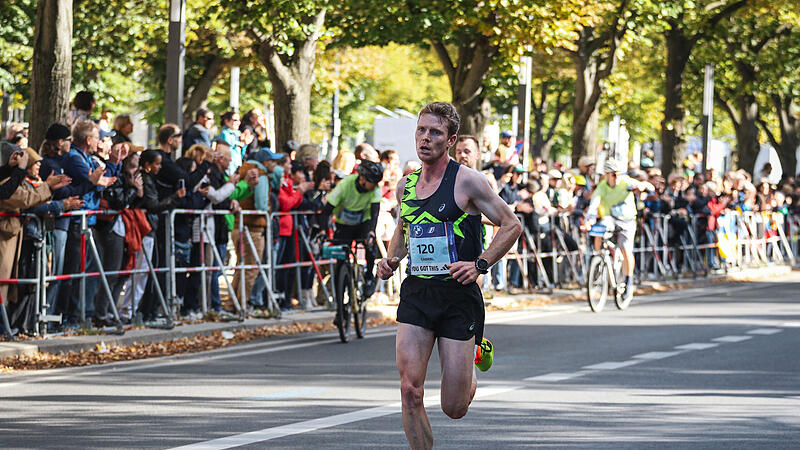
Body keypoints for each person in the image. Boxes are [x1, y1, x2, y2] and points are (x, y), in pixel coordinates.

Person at [376, 102, 521, 450]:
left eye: (435, 132)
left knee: (454, 407)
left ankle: (471, 361)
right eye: (421, 130)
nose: (426, 138)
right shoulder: (406, 185)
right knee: (410, 390)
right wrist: (391, 259)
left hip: (458, 296)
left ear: (451, 140)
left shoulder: (468, 181)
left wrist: (480, 264)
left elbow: (511, 225)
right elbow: (404, 229)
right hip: (418, 293)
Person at [581, 159, 654, 303]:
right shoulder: (602, 186)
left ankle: (628, 281)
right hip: (609, 218)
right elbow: (594, 204)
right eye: (614, 175)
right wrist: (588, 219)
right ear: (607, 175)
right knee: (598, 230)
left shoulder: (626, 182)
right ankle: (598, 259)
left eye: (619, 174)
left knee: (626, 249)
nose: (617, 177)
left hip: (627, 220)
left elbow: (646, 185)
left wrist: (642, 186)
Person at [322, 159, 384, 299]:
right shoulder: (345, 185)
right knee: (341, 259)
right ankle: (340, 298)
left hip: (363, 222)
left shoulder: (375, 190)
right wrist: (323, 230)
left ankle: (369, 277)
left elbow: (374, 214)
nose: (375, 186)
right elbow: (326, 211)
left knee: (370, 245)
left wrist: (371, 232)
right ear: (362, 179)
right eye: (372, 182)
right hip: (344, 225)